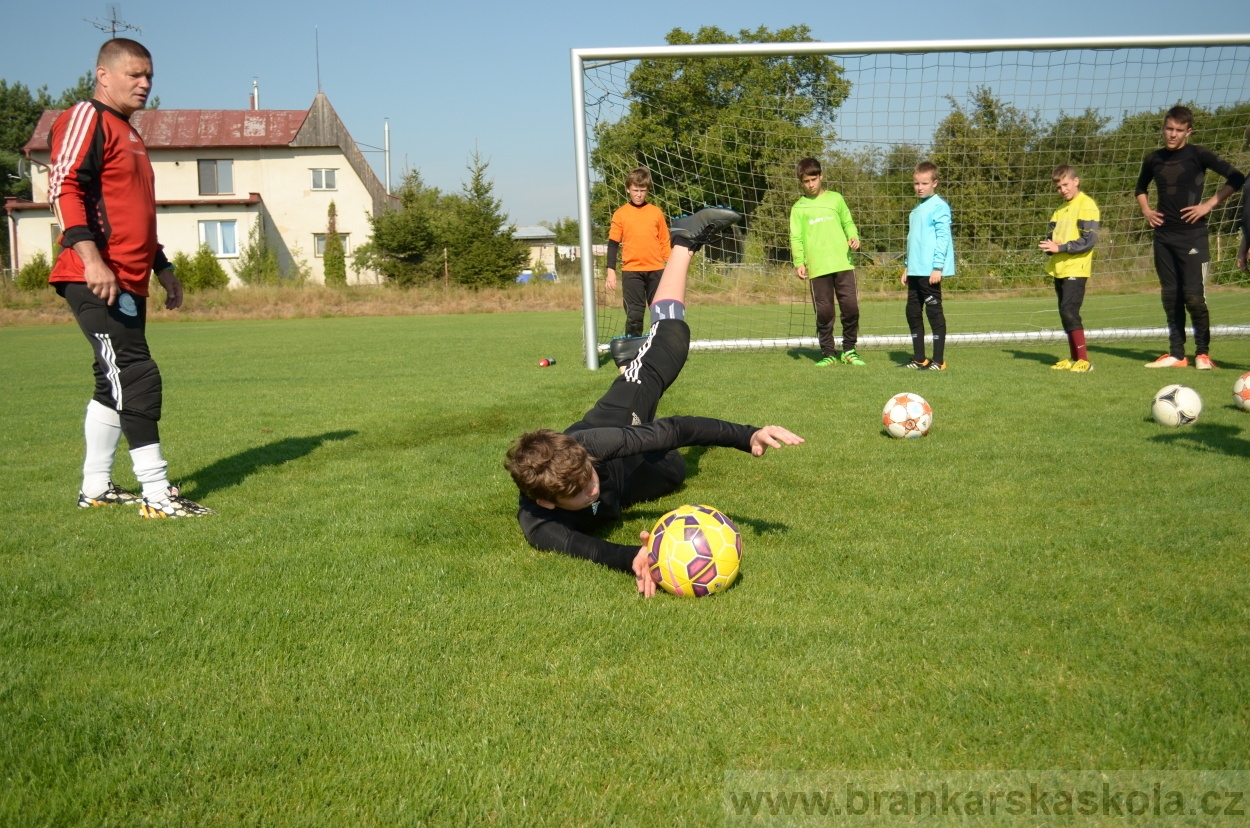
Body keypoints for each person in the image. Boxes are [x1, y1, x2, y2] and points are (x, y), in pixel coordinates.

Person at [505, 208, 804, 597]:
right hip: (636, 480)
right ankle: (635, 359)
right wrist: (634, 555)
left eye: (590, 477)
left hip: (617, 419)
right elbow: (589, 547)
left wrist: (748, 436)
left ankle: (682, 241)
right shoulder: (540, 525)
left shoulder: (592, 447)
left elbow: (676, 429)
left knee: (674, 340)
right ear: (547, 502)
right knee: (676, 472)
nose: (592, 489)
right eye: (579, 493)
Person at [47, 38, 214, 519]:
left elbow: (133, 214)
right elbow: (64, 186)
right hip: (94, 275)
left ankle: (96, 489)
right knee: (137, 375)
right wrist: (93, 260)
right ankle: (158, 495)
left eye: (150, 77)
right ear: (103, 75)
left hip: (129, 279)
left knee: (112, 381)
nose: (145, 84)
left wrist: (164, 268)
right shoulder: (88, 117)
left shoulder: (129, 132)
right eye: (134, 75)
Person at [1135, 105, 1245, 369]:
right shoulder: (1153, 159)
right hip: (1163, 236)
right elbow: (1140, 187)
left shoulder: (1199, 154)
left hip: (1193, 236)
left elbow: (1237, 177)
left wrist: (1208, 205)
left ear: (1188, 131)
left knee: (1194, 296)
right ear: (1164, 127)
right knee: (1170, 295)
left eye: (1178, 130)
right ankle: (1176, 354)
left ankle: (1203, 354)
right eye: (1169, 128)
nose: (1172, 134)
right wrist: (1147, 211)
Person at [789, 157, 865, 366]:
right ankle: (828, 353)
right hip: (818, 267)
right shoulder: (799, 208)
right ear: (801, 182)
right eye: (806, 181)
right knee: (824, 312)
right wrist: (799, 262)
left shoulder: (836, 199)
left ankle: (849, 350)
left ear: (821, 176)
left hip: (843, 263)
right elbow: (796, 238)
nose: (811, 185)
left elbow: (848, 222)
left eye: (814, 179)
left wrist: (854, 237)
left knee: (850, 308)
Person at [1038, 165, 1100, 372]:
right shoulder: (1059, 210)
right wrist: (1048, 245)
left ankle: (1084, 360)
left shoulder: (1087, 205)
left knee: (1069, 310)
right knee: (1065, 313)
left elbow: (1088, 240)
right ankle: (1074, 359)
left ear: (1076, 181)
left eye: (1065, 184)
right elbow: (1052, 236)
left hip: (1076, 267)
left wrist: (1060, 247)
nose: (1062, 189)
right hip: (1060, 268)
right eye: (1058, 187)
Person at [605, 167, 671, 338]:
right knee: (634, 315)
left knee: (660, 313)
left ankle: (660, 348)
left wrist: (671, 267)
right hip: (631, 272)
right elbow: (613, 244)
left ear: (648, 190)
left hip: (656, 270)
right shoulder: (620, 214)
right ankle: (633, 351)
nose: (639, 194)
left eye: (642, 190)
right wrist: (610, 270)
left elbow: (664, 242)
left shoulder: (656, 212)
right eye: (635, 190)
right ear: (628, 189)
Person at [901, 161, 953, 370]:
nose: (920, 187)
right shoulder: (917, 209)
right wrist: (907, 266)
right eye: (916, 183)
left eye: (924, 183)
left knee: (933, 312)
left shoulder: (939, 206)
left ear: (935, 183)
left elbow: (943, 238)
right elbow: (913, 240)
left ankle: (938, 361)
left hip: (930, 271)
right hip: (915, 270)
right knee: (912, 312)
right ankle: (919, 358)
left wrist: (937, 267)